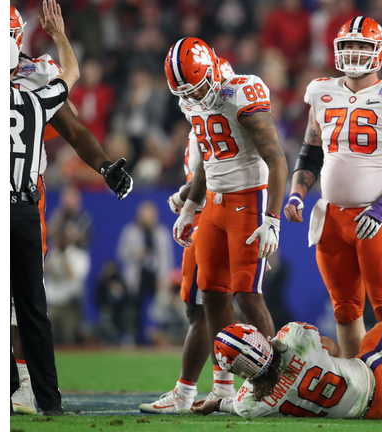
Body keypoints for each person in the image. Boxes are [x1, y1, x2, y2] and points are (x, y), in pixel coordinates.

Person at [283, 16, 382, 401]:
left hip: (376, 217)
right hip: (331, 215)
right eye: (349, 46)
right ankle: (357, 385)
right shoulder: (320, 91)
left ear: (379, 51)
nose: (354, 53)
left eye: (363, 47)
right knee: (345, 310)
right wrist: (297, 193)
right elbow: (310, 154)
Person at [141, 37, 289, 413]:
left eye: (198, 85)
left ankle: (278, 382)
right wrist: (191, 205)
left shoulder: (241, 90)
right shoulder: (192, 98)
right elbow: (209, 155)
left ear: (212, 69)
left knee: (248, 294)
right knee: (213, 294)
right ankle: (223, 387)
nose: (195, 96)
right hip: (216, 205)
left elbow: (277, 160)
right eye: (186, 91)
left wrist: (272, 218)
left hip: (249, 199)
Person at [10, 3, 133, 415]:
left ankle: (25, 384)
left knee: (21, 302)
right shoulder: (44, 74)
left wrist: (103, 166)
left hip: (24, 191)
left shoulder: (37, 74)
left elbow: (74, 128)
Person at [141, 59, 246, 414]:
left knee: (209, 305)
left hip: (218, 211)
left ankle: (213, 388)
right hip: (204, 208)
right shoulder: (199, 111)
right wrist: (187, 198)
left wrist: (188, 201)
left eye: (199, 88)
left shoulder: (228, 108)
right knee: (198, 305)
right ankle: (212, 388)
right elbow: (207, 167)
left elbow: (223, 166)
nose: (196, 97)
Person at [190, 321, 382, 419]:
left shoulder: (249, 404)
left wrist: (215, 405)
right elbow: (333, 348)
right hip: (375, 378)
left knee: (379, 405)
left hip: (369, 414)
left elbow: (231, 405)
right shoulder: (294, 336)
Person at [116, 201, 173, 345]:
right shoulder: (130, 232)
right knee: (133, 309)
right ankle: (130, 338)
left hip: (155, 278)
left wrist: (164, 278)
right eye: (144, 215)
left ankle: (159, 339)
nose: (147, 219)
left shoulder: (162, 233)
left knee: (159, 311)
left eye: (150, 215)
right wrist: (136, 254)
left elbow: (166, 258)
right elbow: (121, 254)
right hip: (136, 277)